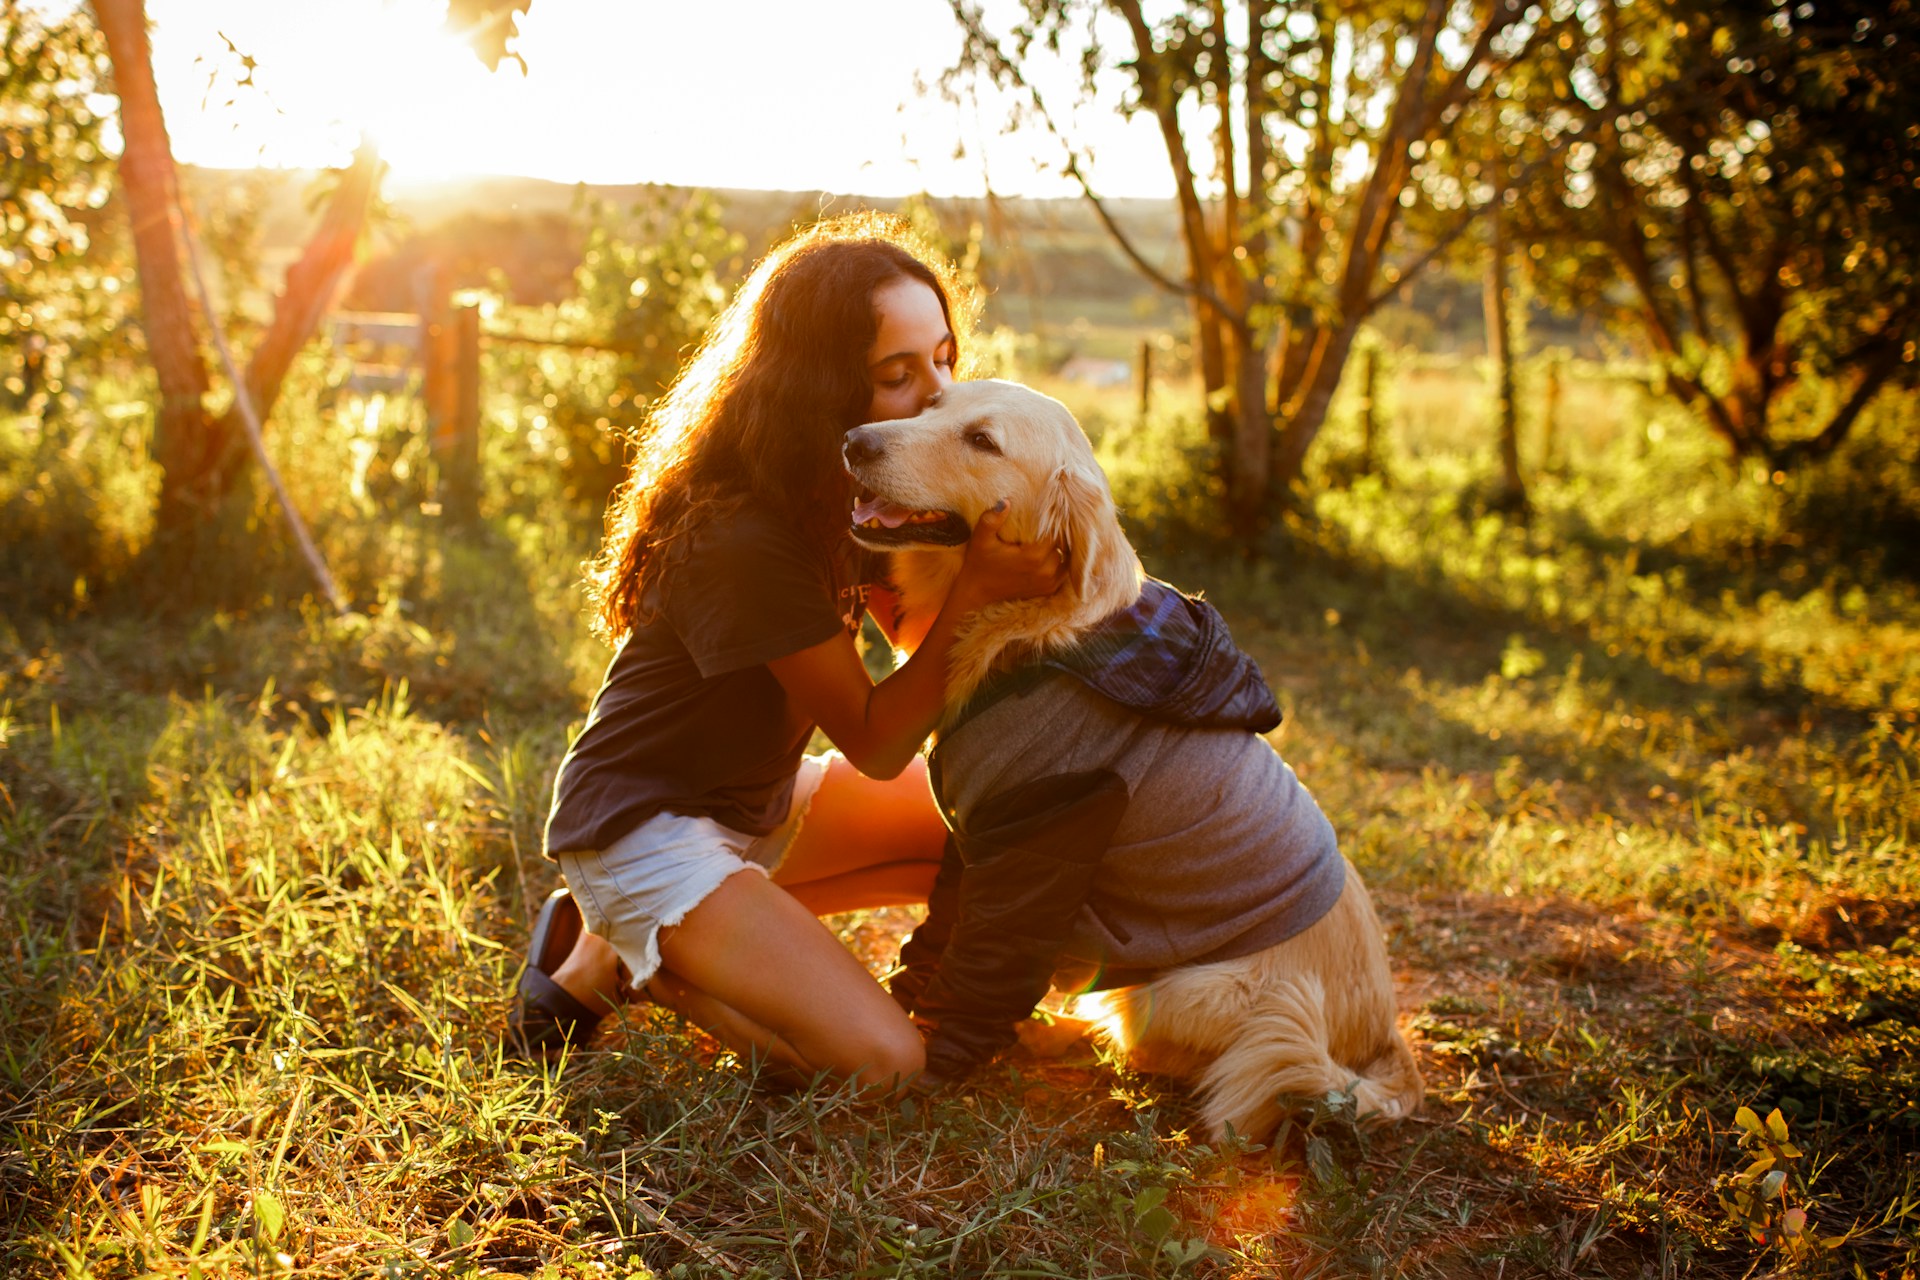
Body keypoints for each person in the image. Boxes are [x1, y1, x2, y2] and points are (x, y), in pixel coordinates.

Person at [510, 214, 1062, 1093]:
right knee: (885, 1064)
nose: (938, 393)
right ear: (820, 384)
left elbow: (924, 654)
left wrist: (979, 537)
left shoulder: (853, 491)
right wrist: (977, 591)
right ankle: (633, 958)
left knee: (997, 822)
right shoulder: (746, 536)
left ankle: (634, 942)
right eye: (898, 373)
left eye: (945, 359)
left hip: (753, 807)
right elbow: (879, 744)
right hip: (642, 827)